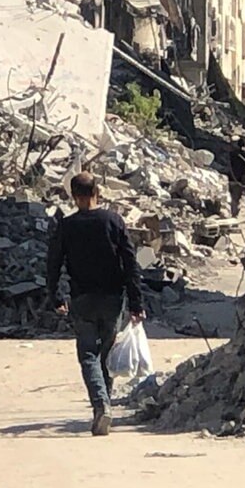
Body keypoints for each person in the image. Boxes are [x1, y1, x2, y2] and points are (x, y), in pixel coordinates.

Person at [46, 172, 145, 437]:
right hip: (113, 299)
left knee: (88, 355)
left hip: (82, 299)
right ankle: (105, 406)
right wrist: (136, 302)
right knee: (107, 355)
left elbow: (53, 263)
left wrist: (55, 295)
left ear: (73, 196)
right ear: (97, 193)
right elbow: (130, 263)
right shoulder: (113, 221)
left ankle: (101, 405)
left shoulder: (66, 226)